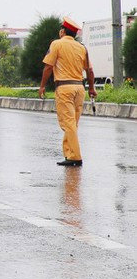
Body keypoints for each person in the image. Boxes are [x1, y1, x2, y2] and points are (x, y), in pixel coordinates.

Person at [38, 17, 96, 167]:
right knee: (73, 124)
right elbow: (89, 70)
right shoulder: (81, 47)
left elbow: (48, 67)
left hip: (65, 88)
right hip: (79, 88)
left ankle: (75, 157)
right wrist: (91, 88)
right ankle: (69, 154)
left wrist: (42, 86)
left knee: (68, 124)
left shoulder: (57, 44)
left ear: (62, 31)